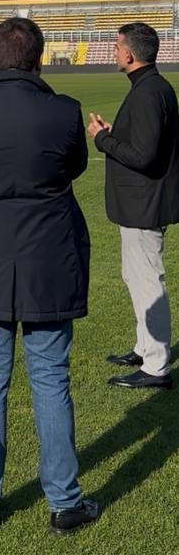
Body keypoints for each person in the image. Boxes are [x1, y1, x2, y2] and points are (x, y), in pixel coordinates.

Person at [0, 17, 98, 535]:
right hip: (48, 262)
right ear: (39, 58)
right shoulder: (64, 112)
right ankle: (62, 502)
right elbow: (74, 166)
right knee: (50, 381)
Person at [87, 21, 179, 390]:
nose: (113, 51)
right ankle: (145, 349)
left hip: (145, 204)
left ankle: (156, 367)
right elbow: (146, 144)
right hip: (142, 203)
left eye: (116, 46)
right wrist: (114, 135)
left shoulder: (148, 92)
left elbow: (143, 156)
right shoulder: (153, 88)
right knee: (136, 277)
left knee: (146, 281)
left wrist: (102, 140)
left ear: (129, 53)